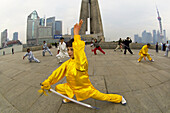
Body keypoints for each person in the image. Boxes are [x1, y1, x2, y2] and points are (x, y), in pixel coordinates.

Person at [39, 20, 126, 105]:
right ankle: (69, 98)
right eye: (68, 49)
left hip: (84, 88)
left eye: (72, 50)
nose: (69, 52)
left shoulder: (81, 61)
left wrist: (76, 35)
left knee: (103, 97)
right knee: (59, 88)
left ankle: (119, 98)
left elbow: (79, 52)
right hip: (71, 87)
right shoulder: (68, 63)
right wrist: (48, 82)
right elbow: (57, 73)